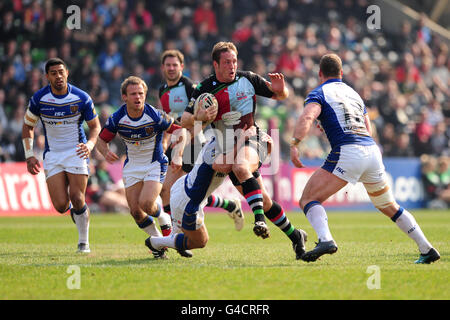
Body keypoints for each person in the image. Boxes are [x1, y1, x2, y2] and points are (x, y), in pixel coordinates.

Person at [290, 53, 440, 264]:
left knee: (308, 199)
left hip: (348, 151)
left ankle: (326, 240)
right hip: (371, 151)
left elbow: (307, 116)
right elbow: (368, 129)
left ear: (320, 74)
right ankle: (427, 248)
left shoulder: (319, 93)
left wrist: (295, 144)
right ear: (341, 73)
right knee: (389, 206)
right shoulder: (354, 94)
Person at [181, 42, 307, 259]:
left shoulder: (248, 78)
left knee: (241, 166)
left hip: (253, 138)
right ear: (216, 64)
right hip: (228, 146)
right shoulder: (204, 88)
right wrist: (199, 117)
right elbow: (185, 120)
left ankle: (258, 220)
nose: (232, 66)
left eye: (234, 61)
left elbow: (281, 95)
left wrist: (281, 89)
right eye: (227, 62)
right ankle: (296, 236)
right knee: (265, 201)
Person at [146, 126, 306, 258]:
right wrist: (246, 141)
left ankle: (295, 237)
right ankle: (155, 242)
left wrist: (260, 147)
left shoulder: (232, 146)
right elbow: (223, 166)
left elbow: (246, 163)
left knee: (264, 201)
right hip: (187, 201)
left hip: (191, 194)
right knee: (199, 242)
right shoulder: (215, 148)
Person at [96, 76, 187, 259]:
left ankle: (163, 218)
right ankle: (158, 243)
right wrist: (105, 152)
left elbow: (180, 130)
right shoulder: (117, 117)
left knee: (146, 204)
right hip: (132, 166)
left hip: (155, 163)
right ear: (124, 97)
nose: (138, 97)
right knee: (136, 212)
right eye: (133, 94)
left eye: (141, 93)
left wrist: (177, 154)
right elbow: (101, 140)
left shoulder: (155, 115)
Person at [158, 49, 244, 231]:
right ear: (163, 68)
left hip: (193, 143)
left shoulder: (191, 87)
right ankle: (228, 206)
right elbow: (170, 120)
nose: (171, 68)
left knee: (182, 191)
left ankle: (178, 233)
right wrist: (166, 141)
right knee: (171, 190)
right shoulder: (162, 91)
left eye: (175, 65)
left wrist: (184, 145)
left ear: (182, 67)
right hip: (176, 144)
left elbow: (203, 119)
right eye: (168, 65)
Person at [22, 58, 101, 253]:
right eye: (54, 73)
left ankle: (84, 243)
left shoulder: (81, 98)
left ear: (67, 73)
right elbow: (28, 127)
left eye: (61, 72)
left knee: (77, 196)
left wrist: (90, 145)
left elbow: (95, 126)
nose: (58, 76)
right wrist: (29, 154)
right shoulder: (39, 99)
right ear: (47, 77)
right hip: (53, 155)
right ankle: (79, 213)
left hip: (77, 151)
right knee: (59, 206)